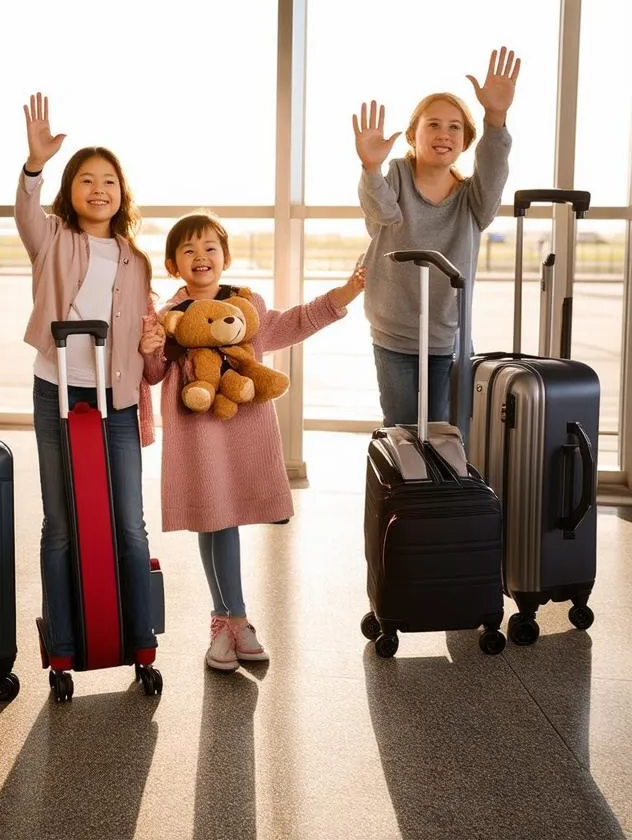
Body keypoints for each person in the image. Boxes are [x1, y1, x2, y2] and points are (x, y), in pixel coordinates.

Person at [140, 211, 365, 671]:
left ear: (225, 257)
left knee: (222, 523)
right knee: (214, 522)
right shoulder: (167, 318)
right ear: (172, 265)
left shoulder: (247, 307)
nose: (200, 257)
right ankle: (235, 620)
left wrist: (348, 292)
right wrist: (148, 349)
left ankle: (225, 621)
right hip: (197, 436)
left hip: (242, 434)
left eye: (209, 249)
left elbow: (296, 321)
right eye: (188, 250)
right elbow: (153, 375)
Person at [14, 91, 158, 673]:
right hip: (57, 389)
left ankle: (140, 640)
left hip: (117, 400)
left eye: (110, 182)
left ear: (122, 194)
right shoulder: (52, 238)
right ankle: (65, 648)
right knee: (61, 524)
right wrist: (33, 167)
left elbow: (152, 360)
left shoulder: (137, 259)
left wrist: (155, 350)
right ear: (70, 190)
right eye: (87, 181)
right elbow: (25, 214)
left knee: (128, 522)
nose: (99, 190)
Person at [354, 46, 521, 427]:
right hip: (395, 335)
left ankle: (446, 490)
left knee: (449, 436)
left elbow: (494, 169)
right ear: (413, 135)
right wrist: (370, 166)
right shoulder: (393, 175)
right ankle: (407, 490)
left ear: (466, 143)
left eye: (455, 127)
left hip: (450, 341)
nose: (444, 134)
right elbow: (381, 212)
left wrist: (496, 118)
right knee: (403, 433)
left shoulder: (473, 201)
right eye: (433, 124)